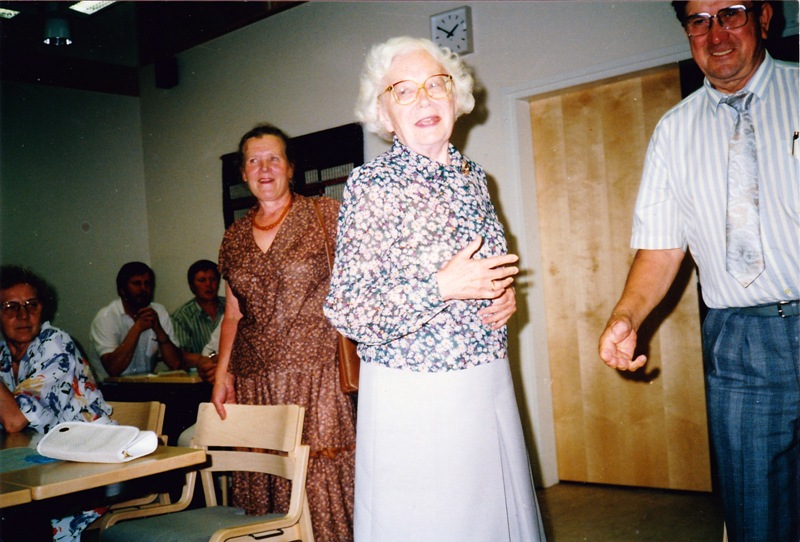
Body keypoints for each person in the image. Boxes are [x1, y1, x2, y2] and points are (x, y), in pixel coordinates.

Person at [323, 37, 545, 541]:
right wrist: (441, 287)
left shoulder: (475, 179)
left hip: (487, 380)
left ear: (455, 96)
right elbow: (347, 310)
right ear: (384, 114)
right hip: (416, 393)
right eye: (403, 91)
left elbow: (483, 272)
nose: (423, 99)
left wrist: (502, 295)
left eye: (435, 85)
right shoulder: (372, 185)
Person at [598, 2, 798, 541]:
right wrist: (626, 317)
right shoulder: (673, 131)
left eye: (730, 13)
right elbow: (661, 249)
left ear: (764, 17)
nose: (715, 34)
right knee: (756, 516)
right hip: (741, 344)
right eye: (698, 20)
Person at [211, 123, 356, 541]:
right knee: (266, 476)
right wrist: (223, 374)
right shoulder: (234, 237)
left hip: (318, 375)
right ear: (243, 173)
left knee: (320, 475)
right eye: (254, 161)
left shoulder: (326, 214)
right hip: (255, 379)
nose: (264, 168)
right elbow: (233, 314)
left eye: (274, 158)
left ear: (291, 168)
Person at [0, 265, 114, 541]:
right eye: (10, 307)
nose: (23, 315)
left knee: (16, 523)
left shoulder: (55, 344)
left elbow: (14, 421)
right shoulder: (3, 352)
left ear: (43, 309)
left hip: (87, 472)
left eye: (31, 304)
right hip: (38, 469)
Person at [88, 261, 181, 383]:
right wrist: (137, 328)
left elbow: (175, 363)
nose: (143, 289)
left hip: (146, 387)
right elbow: (113, 369)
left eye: (147, 284)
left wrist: (160, 331)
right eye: (137, 284)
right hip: (110, 390)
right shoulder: (106, 318)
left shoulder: (159, 311)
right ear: (122, 289)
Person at [171, 259, 225, 383]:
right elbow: (181, 356)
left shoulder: (231, 308)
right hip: (199, 380)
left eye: (213, 279)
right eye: (202, 280)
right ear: (192, 286)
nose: (209, 284)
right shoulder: (181, 316)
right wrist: (207, 359)